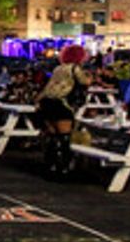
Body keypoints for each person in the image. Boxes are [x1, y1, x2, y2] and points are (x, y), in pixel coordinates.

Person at [37, 44, 92, 176]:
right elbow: (85, 82)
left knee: (52, 135)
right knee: (64, 137)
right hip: (60, 103)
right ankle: (63, 166)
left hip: (46, 102)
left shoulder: (58, 68)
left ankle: (50, 164)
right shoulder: (74, 68)